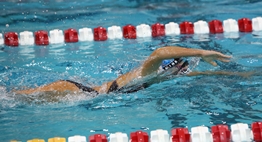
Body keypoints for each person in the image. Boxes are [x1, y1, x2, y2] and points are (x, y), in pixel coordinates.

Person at [15, 46, 232, 95]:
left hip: (87, 92)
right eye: (181, 69)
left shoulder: (159, 78)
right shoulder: (147, 73)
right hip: (74, 92)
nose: (182, 73)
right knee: (14, 97)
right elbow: (160, 52)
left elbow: (204, 74)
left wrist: (240, 76)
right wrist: (201, 53)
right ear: (169, 68)